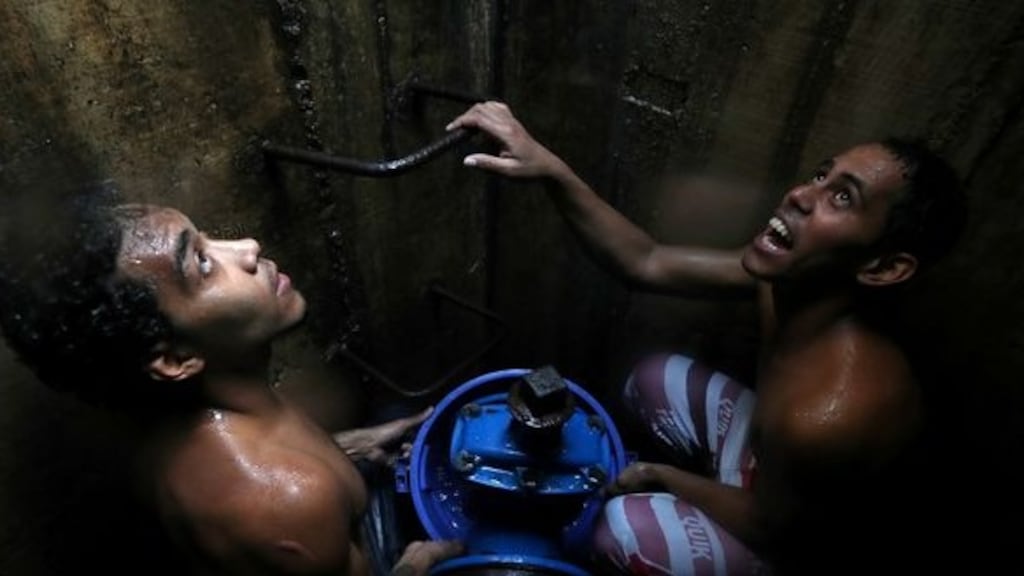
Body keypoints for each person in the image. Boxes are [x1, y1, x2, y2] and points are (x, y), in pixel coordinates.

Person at [447, 102, 966, 574]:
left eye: (842, 197)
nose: (801, 195)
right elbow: (645, 260)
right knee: (651, 378)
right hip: (772, 471)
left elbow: (775, 529)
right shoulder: (783, 283)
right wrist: (547, 166)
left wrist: (663, 477)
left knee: (620, 530)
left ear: (883, 266)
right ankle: (707, 497)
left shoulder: (828, 415)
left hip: (798, 542)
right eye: (820, 174)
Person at [0, 186, 463, 576]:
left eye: (208, 239)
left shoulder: (191, 409)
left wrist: (351, 444)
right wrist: (416, 565)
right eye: (202, 264)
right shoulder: (289, 502)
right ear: (176, 358)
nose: (247, 246)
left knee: (398, 418)